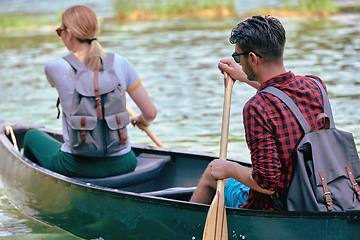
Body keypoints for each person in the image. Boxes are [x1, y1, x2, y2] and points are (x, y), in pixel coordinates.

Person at [190, 15, 328, 210]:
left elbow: (267, 183)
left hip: (277, 206)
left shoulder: (257, 108)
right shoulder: (316, 85)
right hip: (320, 194)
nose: (238, 61)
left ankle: (182, 229)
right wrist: (243, 75)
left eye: (239, 57)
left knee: (213, 171)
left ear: (252, 58)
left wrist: (228, 167)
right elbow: (283, 91)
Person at [23, 5, 157, 178]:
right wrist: (140, 119)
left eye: (60, 31)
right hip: (125, 163)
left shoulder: (55, 67)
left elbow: (57, 84)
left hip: (76, 165)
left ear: (68, 33)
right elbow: (150, 113)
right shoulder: (121, 63)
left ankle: (34, 190)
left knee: (31, 136)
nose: (60, 35)